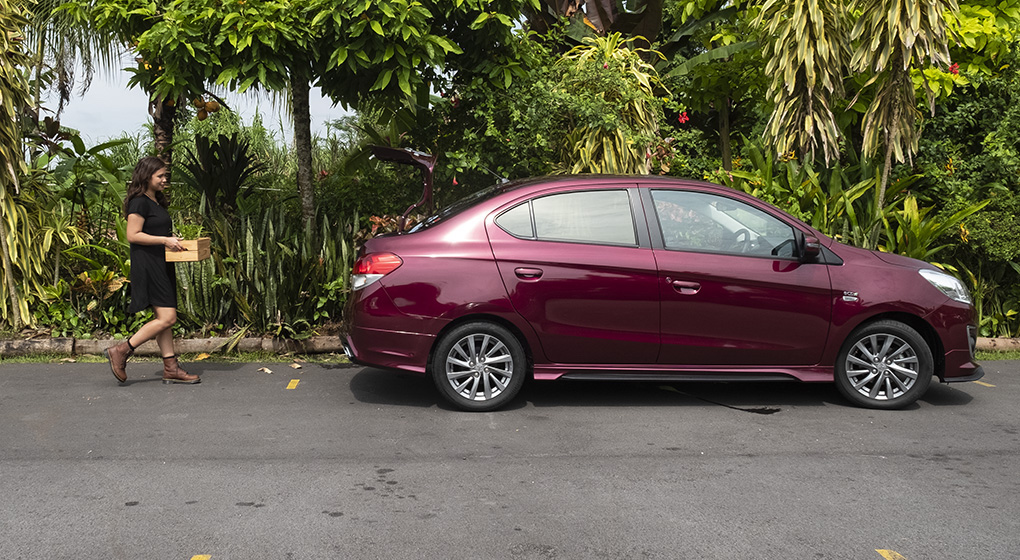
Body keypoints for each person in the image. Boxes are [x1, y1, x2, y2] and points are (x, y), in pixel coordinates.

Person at [104, 156, 200, 385]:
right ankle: (122, 350)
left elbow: (155, 233)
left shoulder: (155, 201)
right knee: (168, 317)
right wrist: (164, 241)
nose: (165, 179)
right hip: (148, 264)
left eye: (166, 175)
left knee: (163, 318)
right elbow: (132, 235)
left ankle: (171, 367)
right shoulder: (139, 202)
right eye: (160, 176)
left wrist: (171, 240)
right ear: (146, 176)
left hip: (161, 262)